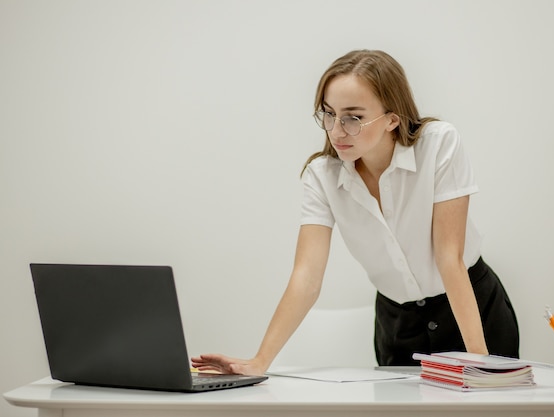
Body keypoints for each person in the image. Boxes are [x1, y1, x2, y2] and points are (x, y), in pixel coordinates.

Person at [191, 49, 519, 375]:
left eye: (353, 117)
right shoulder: (322, 175)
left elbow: (450, 257)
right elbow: (306, 277)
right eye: (329, 114)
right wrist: (260, 361)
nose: (336, 130)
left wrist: (480, 361)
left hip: (470, 308)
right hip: (397, 322)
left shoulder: (438, 144)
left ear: (393, 118)